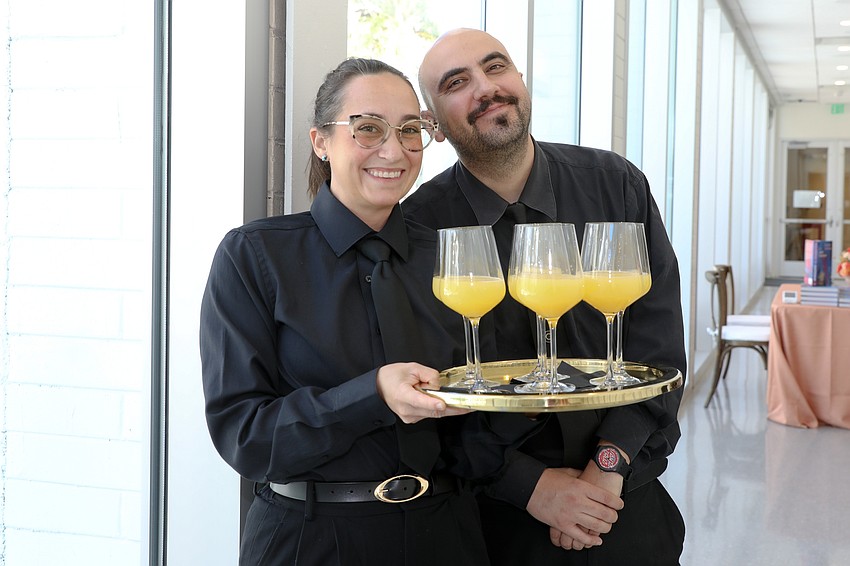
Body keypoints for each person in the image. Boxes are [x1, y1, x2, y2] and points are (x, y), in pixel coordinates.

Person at [200, 57, 537, 566]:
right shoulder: (254, 255)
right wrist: (372, 395)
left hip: (447, 536)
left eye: (409, 130)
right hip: (309, 542)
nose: (393, 149)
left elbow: (481, 422)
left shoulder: (451, 260)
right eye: (368, 129)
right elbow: (245, 437)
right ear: (320, 141)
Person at [403, 28, 687, 565]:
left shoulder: (615, 184)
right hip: (496, 524)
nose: (486, 88)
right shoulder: (418, 227)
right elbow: (426, 390)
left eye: (497, 67)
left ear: (521, 82)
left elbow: (659, 350)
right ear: (434, 124)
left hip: (625, 507)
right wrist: (531, 486)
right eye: (458, 82)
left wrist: (608, 465)